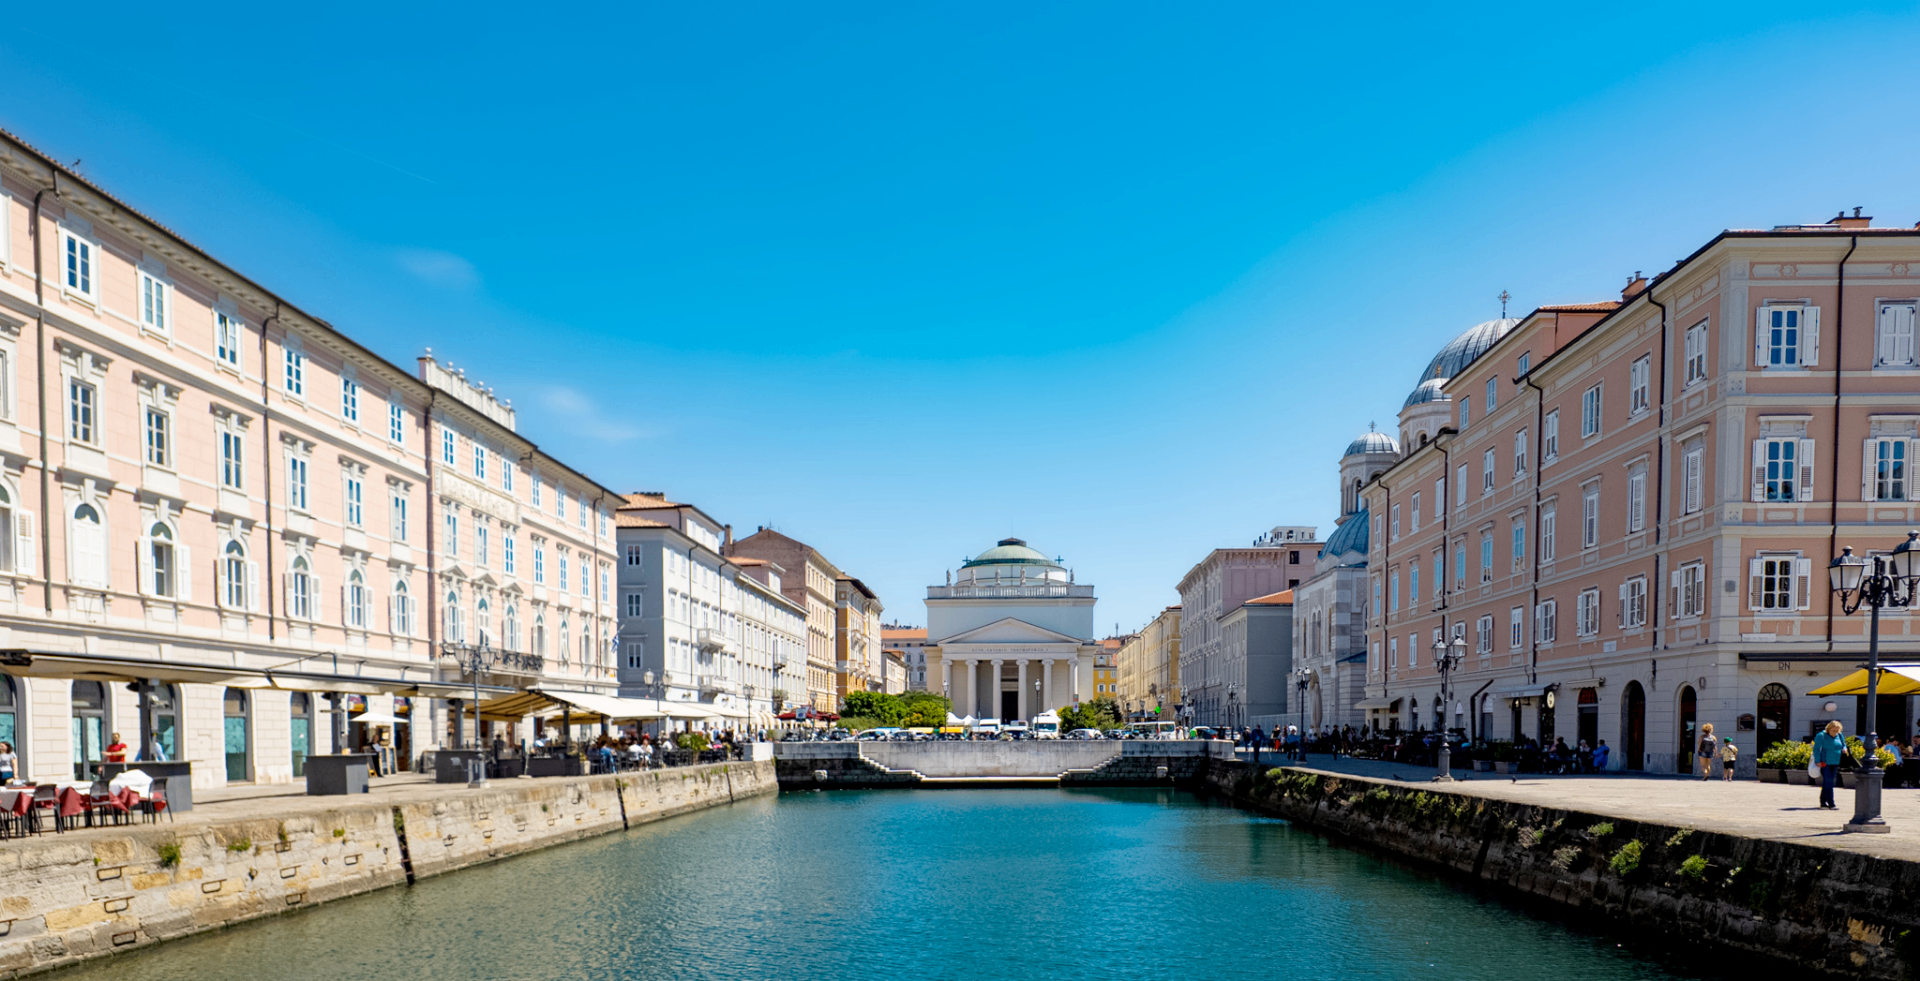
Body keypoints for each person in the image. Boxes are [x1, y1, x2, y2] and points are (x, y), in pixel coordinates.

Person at [1814, 720, 1846, 810]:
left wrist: (1844, 749)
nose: (1835, 733)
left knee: (1828, 782)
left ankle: (1823, 802)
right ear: (1828, 729)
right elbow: (1816, 749)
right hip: (1825, 762)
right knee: (1829, 781)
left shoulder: (1839, 735)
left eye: (1837, 731)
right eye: (1833, 731)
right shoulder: (1821, 736)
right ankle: (1831, 803)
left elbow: (1844, 744)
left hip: (1835, 761)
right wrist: (1817, 761)